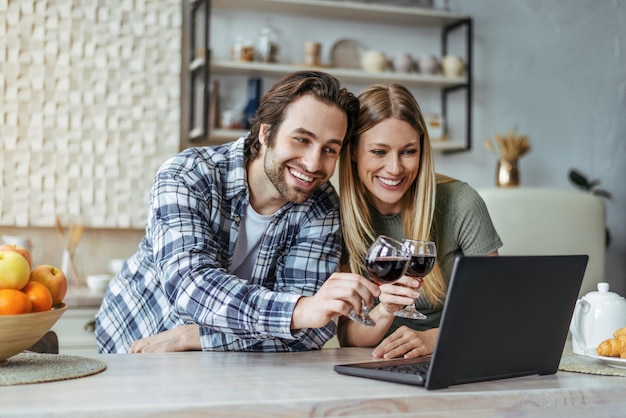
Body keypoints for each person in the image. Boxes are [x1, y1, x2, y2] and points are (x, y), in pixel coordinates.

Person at [95, 71, 381, 353]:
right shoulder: (189, 175)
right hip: (131, 342)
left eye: (330, 149)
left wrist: (197, 338)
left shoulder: (321, 206)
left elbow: (312, 332)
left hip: (218, 366)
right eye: (302, 140)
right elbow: (192, 288)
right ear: (266, 132)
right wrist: (300, 312)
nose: (313, 162)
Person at [336, 83, 502, 359]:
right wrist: (385, 310)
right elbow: (347, 336)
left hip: (454, 357)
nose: (395, 168)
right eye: (379, 151)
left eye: (408, 151)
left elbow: (495, 309)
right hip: (378, 366)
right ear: (353, 151)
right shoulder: (338, 217)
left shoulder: (461, 202)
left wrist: (434, 340)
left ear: (422, 151)